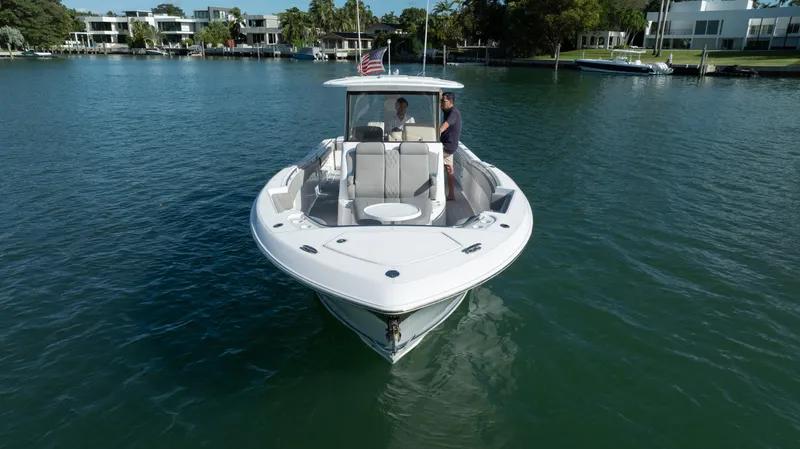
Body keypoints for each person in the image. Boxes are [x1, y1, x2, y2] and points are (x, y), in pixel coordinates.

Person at [439, 92, 461, 201]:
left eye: (443, 101)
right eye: (441, 101)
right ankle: (451, 194)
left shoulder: (453, 113)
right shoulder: (447, 110)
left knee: (428, 157)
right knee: (449, 168)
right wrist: (439, 93)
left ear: (451, 102)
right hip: (447, 144)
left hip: (447, 146)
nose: (441, 103)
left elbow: (446, 124)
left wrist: (438, 132)